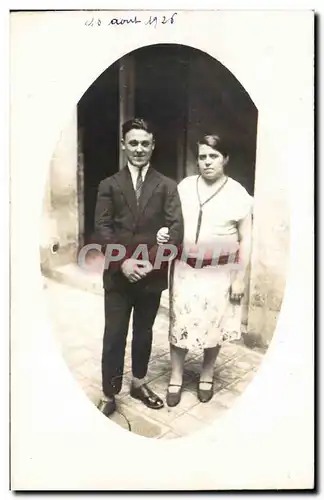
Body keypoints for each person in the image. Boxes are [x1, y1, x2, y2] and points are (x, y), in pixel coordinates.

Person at [95, 118, 184, 417]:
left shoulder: (167, 186)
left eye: (145, 143)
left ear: (153, 145)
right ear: (123, 145)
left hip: (150, 276)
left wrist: (149, 263)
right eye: (133, 142)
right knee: (115, 334)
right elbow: (102, 229)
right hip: (118, 277)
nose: (139, 149)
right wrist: (123, 262)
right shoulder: (109, 185)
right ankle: (109, 392)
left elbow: (176, 230)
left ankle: (139, 382)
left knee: (144, 332)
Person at [157, 134, 253, 406]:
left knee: (214, 324)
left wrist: (240, 279)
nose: (207, 162)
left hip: (220, 272)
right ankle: (176, 376)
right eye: (202, 156)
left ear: (225, 159)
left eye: (213, 156)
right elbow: (171, 222)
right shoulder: (185, 187)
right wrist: (165, 232)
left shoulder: (238, 194)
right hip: (184, 267)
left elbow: (247, 239)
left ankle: (206, 374)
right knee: (180, 322)